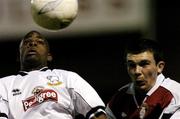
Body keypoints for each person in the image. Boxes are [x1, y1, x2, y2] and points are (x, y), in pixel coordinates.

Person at [0, 30, 107, 119]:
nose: (33, 43)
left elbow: (98, 113)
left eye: (39, 42)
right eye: (27, 42)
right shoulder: (4, 84)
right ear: (18, 57)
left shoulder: (68, 77)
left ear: (49, 56)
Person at [105, 38, 180, 119]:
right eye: (132, 65)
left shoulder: (175, 95)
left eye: (144, 64)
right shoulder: (119, 97)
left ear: (160, 67)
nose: (137, 71)